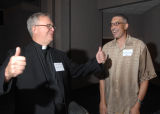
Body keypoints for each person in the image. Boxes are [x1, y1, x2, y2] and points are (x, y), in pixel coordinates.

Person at [0, 12, 106, 114]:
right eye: (49, 25)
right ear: (34, 29)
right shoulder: (18, 55)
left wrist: (97, 61)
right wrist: (7, 74)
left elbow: (77, 71)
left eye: (53, 26)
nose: (53, 29)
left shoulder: (60, 55)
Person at [99, 14, 157, 114]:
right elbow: (102, 77)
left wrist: (137, 105)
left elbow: (146, 77)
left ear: (126, 26)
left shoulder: (139, 46)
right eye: (111, 24)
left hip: (130, 106)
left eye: (116, 23)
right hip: (110, 104)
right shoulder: (106, 48)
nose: (113, 27)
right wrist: (102, 102)